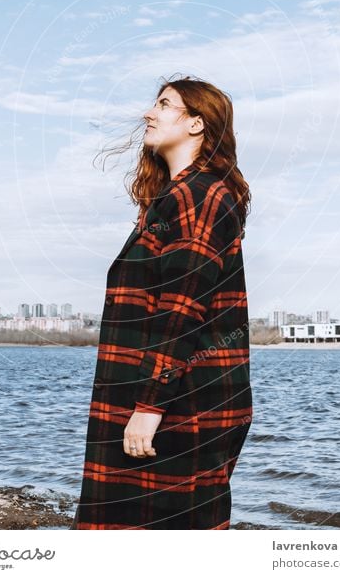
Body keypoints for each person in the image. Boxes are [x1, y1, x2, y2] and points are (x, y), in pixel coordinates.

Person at [72, 75, 253, 529]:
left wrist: (150, 407)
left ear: (197, 124)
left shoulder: (202, 195)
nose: (149, 113)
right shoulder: (173, 198)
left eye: (164, 105)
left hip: (181, 405)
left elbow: (182, 311)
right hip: (154, 397)